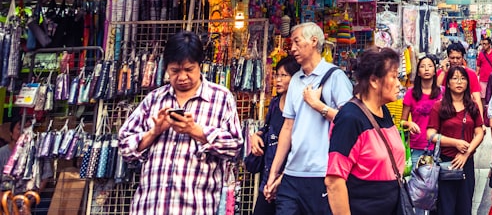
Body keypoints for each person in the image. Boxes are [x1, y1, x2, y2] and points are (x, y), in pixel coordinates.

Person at [118, 31, 242, 215]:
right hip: (150, 206)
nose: (182, 77)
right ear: (166, 67)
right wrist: (154, 132)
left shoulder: (221, 98)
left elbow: (235, 146)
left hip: (195, 206)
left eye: (189, 69)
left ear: (200, 66)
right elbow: (124, 145)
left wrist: (196, 131)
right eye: (175, 71)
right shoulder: (154, 99)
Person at [266, 22, 354, 215]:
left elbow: (351, 123)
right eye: (292, 43)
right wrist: (274, 173)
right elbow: (287, 128)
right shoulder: (296, 79)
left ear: (314, 41)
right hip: (291, 174)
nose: (293, 48)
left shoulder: (335, 77)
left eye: (297, 42)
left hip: (322, 173)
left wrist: (318, 105)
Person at [326, 48, 406, 215]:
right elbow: (334, 180)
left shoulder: (384, 112)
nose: (399, 83)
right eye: (393, 76)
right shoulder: (350, 118)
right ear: (374, 80)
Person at [427, 65, 486, 215]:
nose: (459, 82)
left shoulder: (471, 106)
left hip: (466, 163)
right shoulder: (439, 107)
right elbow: (431, 135)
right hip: (445, 163)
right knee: (445, 208)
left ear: (467, 83)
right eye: (455, 78)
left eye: (463, 78)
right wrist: (455, 142)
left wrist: (466, 154)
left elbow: (479, 132)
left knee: (464, 207)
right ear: (448, 83)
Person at [247, 56, 301, 215]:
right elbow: (266, 128)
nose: (277, 80)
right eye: (277, 75)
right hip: (269, 175)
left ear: (296, 78)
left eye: (283, 76)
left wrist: (281, 177)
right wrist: (256, 136)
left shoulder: (302, 107)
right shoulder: (275, 104)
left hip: (290, 177)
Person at [401, 54, 442, 166]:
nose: (427, 69)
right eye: (423, 66)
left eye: (430, 66)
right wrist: (409, 124)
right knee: (417, 182)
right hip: (417, 146)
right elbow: (402, 121)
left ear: (435, 71)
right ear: (418, 72)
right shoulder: (411, 93)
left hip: (438, 146)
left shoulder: (441, 93)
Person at [439, 42, 485, 118]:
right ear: (447, 58)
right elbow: (435, 91)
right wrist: (444, 72)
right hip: (445, 112)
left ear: (463, 57)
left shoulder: (471, 74)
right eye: (452, 58)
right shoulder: (441, 73)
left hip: (465, 113)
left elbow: (477, 99)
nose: (455, 61)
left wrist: (481, 121)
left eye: (458, 58)